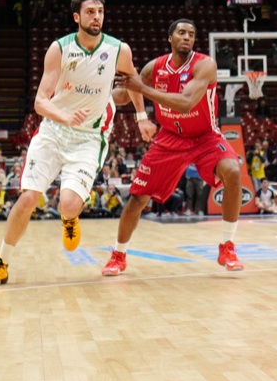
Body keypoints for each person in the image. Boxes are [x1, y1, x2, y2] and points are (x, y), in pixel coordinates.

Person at [0, 0, 154, 285]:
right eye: (90, 11)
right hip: (54, 131)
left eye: (101, 11)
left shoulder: (119, 49)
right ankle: (1, 262)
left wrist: (142, 118)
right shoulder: (60, 48)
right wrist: (65, 117)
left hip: (89, 137)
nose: (97, 17)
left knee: (67, 203)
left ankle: (70, 218)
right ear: (77, 17)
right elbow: (41, 101)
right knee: (28, 197)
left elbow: (133, 83)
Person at [102, 19, 246, 277]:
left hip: (205, 137)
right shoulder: (153, 68)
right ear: (170, 38)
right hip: (169, 137)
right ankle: (118, 255)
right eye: (181, 32)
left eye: (191, 33)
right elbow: (126, 94)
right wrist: (98, 99)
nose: (187, 37)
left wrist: (143, 89)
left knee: (233, 171)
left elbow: (186, 103)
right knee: (137, 198)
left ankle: (227, 246)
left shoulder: (205, 64)